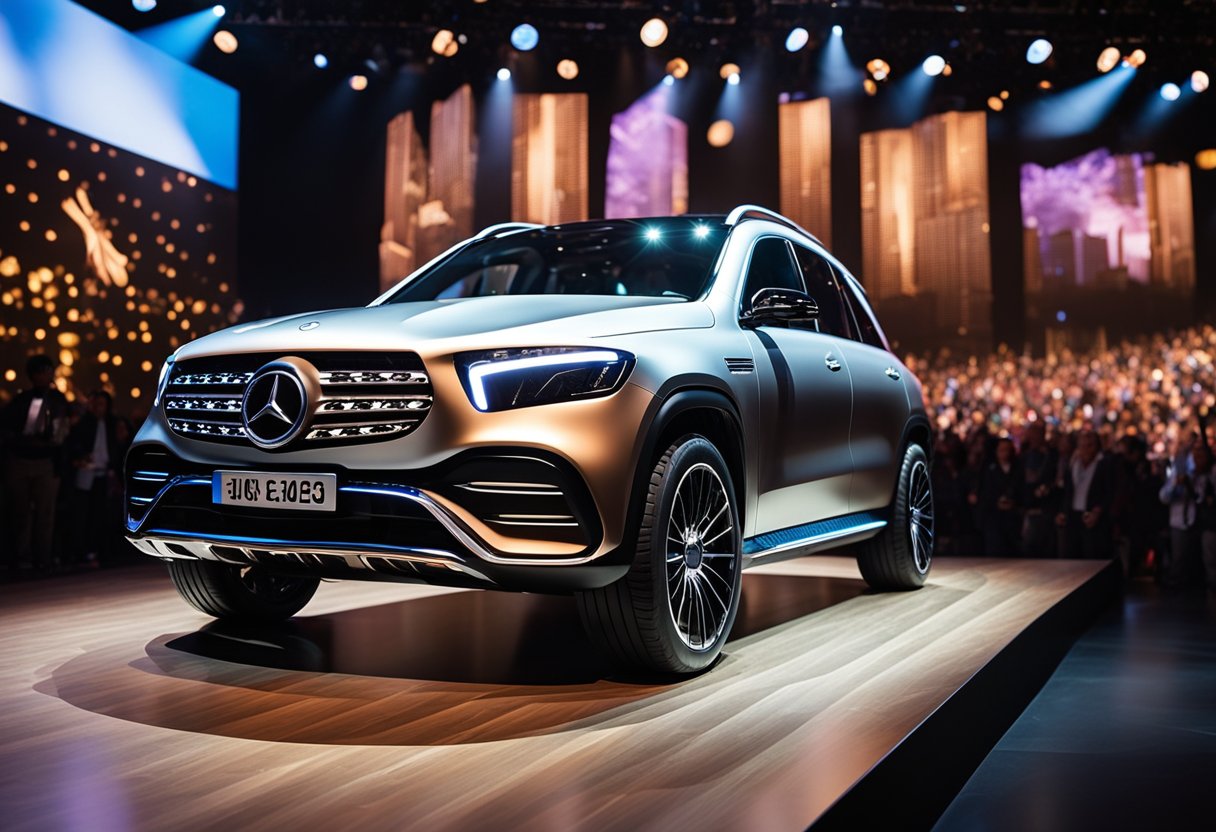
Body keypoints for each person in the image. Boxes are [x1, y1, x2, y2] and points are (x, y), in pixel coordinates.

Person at [1, 355, 69, 572]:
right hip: (20, 460)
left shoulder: (58, 399)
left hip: (46, 462)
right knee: (20, 512)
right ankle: (22, 557)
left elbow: (62, 433)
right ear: (33, 375)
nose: (45, 375)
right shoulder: (20, 401)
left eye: (48, 371)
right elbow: (7, 429)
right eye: (41, 371)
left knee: (45, 513)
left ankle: (43, 557)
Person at [65, 391, 124, 567]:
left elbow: (117, 448)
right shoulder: (84, 423)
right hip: (87, 472)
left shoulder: (112, 423)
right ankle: (83, 551)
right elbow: (75, 445)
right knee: (83, 514)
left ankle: (101, 551)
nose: (98, 408)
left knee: (102, 514)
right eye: (95, 404)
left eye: (102, 404)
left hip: (105, 473)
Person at [1056, 429, 1115, 559]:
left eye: (1090, 446)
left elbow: (1109, 491)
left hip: (1093, 518)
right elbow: (1067, 491)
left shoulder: (1104, 464)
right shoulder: (1073, 463)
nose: (1086, 450)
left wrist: (1098, 510)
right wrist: (1062, 511)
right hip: (1073, 517)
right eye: (1083, 446)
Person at [1158, 436, 1203, 588]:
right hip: (1179, 521)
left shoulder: (1201, 472)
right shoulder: (1177, 470)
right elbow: (1164, 496)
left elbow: (1200, 497)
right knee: (1179, 559)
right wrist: (1175, 485)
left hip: (1197, 521)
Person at [1019, 422, 1057, 557]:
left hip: (1046, 508)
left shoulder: (1051, 455)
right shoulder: (1025, 456)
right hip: (1029, 508)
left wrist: (1048, 487)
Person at [979, 437, 1022, 556]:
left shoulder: (1017, 468)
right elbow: (984, 491)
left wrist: (1013, 502)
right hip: (994, 517)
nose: (1005, 453)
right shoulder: (989, 468)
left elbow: (1021, 489)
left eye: (1007, 450)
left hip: (1012, 517)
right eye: (1002, 450)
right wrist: (995, 503)